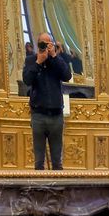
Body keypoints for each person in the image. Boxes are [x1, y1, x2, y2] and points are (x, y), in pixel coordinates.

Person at [22, 31, 72, 171]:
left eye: (48, 43)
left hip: (56, 115)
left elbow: (67, 76)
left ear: (52, 44)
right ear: (38, 45)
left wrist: (54, 56)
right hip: (38, 115)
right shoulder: (31, 61)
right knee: (38, 162)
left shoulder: (57, 60)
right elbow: (27, 80)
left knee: (57, 162)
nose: (45, 46)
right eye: (42, 43)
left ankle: (57, 191)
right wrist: (38, 62)